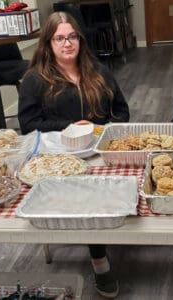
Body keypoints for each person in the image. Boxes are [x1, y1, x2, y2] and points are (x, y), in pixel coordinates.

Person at [18, 11, 130, 299]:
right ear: (48, 43)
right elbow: (28, 125)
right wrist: (68, 126)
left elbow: (122, 112)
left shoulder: (99, 71)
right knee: (85, 198)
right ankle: (99, 259)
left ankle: (111, 235)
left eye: (72, 37)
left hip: (98, 151)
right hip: (59, 156)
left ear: (80, 39)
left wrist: (101, 129)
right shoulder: (34, 79)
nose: (67, 43)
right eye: (59, 38)